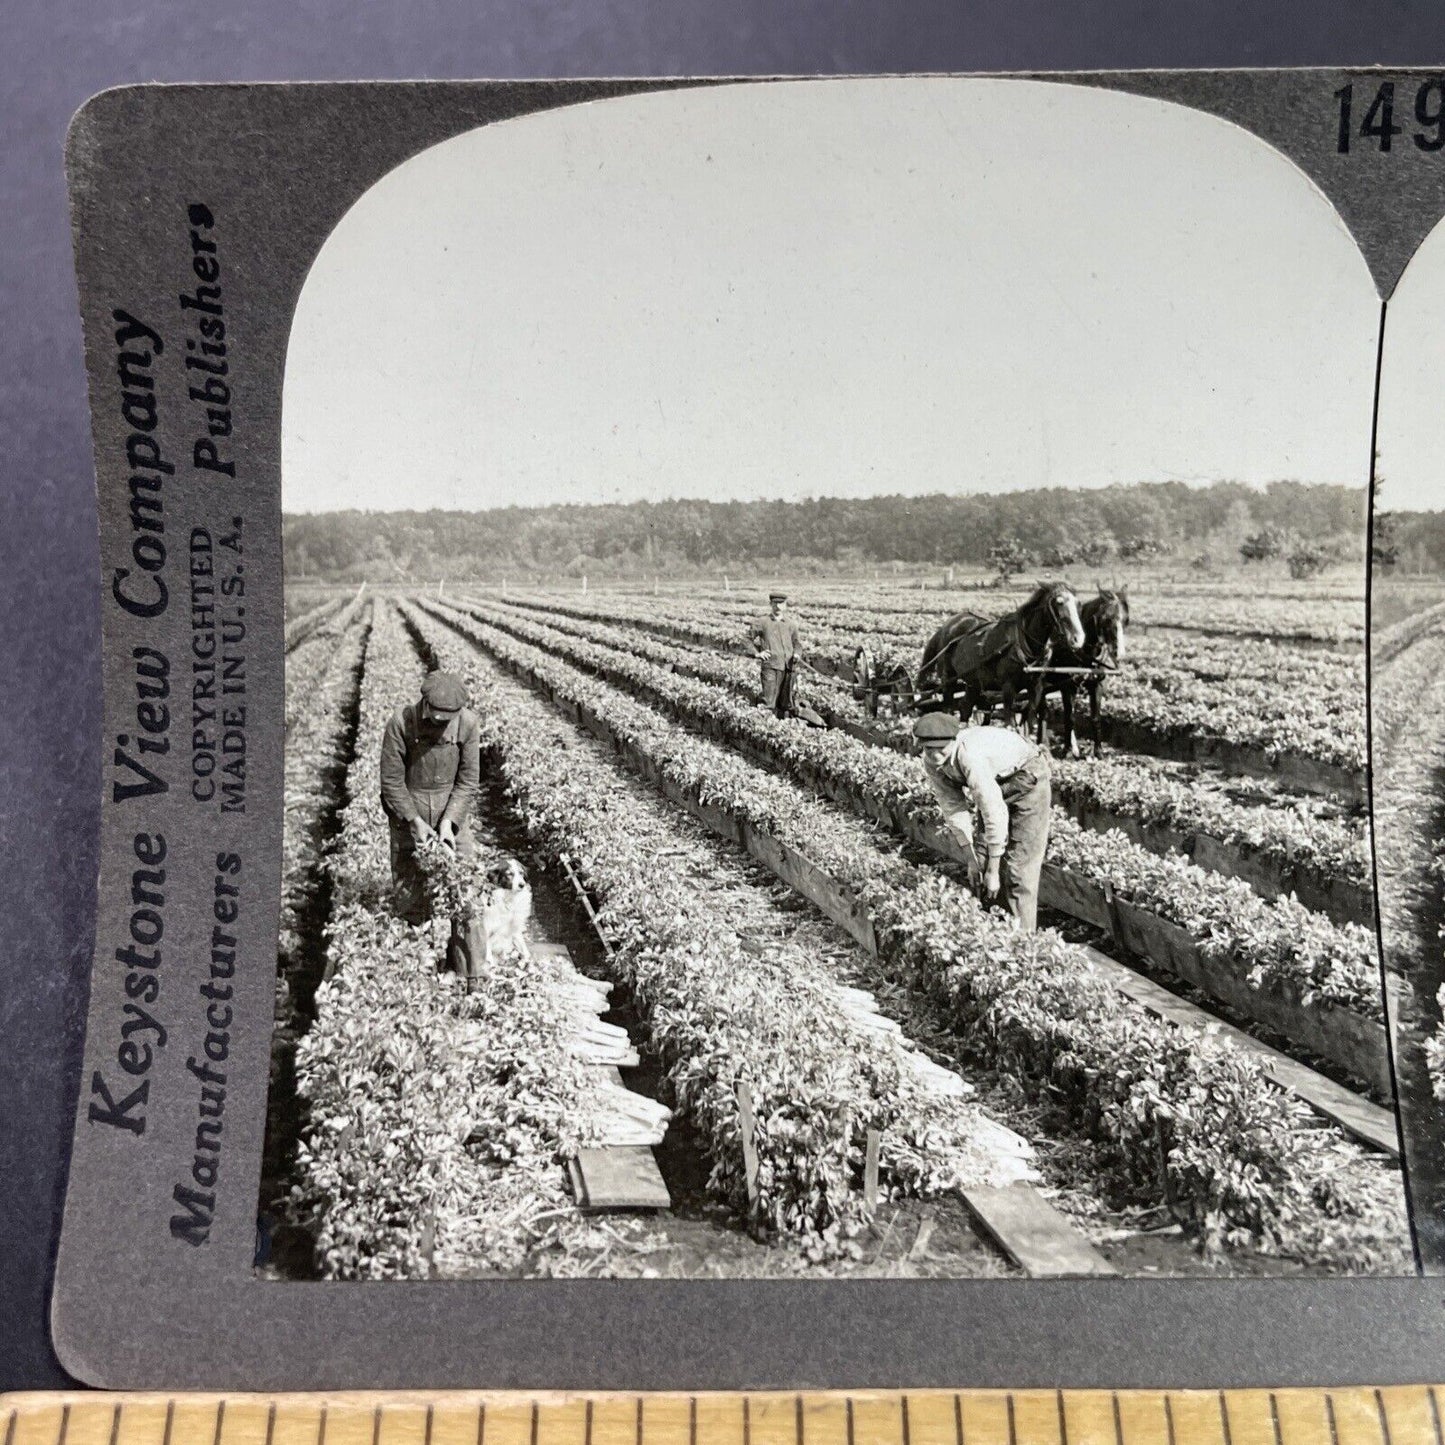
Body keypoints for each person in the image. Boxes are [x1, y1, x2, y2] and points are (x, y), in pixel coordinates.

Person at [380, 669, 482, 977]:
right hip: (408, 813)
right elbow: (392, 781)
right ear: (424, 704)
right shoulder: (401, 722)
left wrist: (450, 823)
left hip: (450, 812)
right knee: (411, 895)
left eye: (446, 720)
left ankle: (470, 977)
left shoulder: (468, 724)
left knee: (464, 896)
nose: (439, 725)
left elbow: (467, 782)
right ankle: (416, 974)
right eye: (435, 718)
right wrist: (412, 820)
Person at [913, 711, 1051, 932]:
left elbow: (993, 810)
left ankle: (1023, 941)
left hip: (1027, 778)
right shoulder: (932, 763)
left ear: (953, 741)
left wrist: (994, 872)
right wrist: (971, 860)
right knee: (981, 859)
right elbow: (954, 809)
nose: (935, 755)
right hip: (994, 781)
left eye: (941, 749)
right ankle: (993, 931)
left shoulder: (970, 756)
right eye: (929, 749)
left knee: (1018, 870)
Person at [749, 591, 804, 718]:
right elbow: (746, 639)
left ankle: (781, 728)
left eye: (781, 603)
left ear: (785, 605)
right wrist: (757, 653)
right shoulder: (762, 622)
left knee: (786, 702)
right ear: (770, 604)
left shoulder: (791, 624)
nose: (778, 606)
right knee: (769, 702)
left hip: (788, 668)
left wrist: (797, 654)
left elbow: (797, 643)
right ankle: (766, 725)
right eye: (775, 603)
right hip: (771, 667)